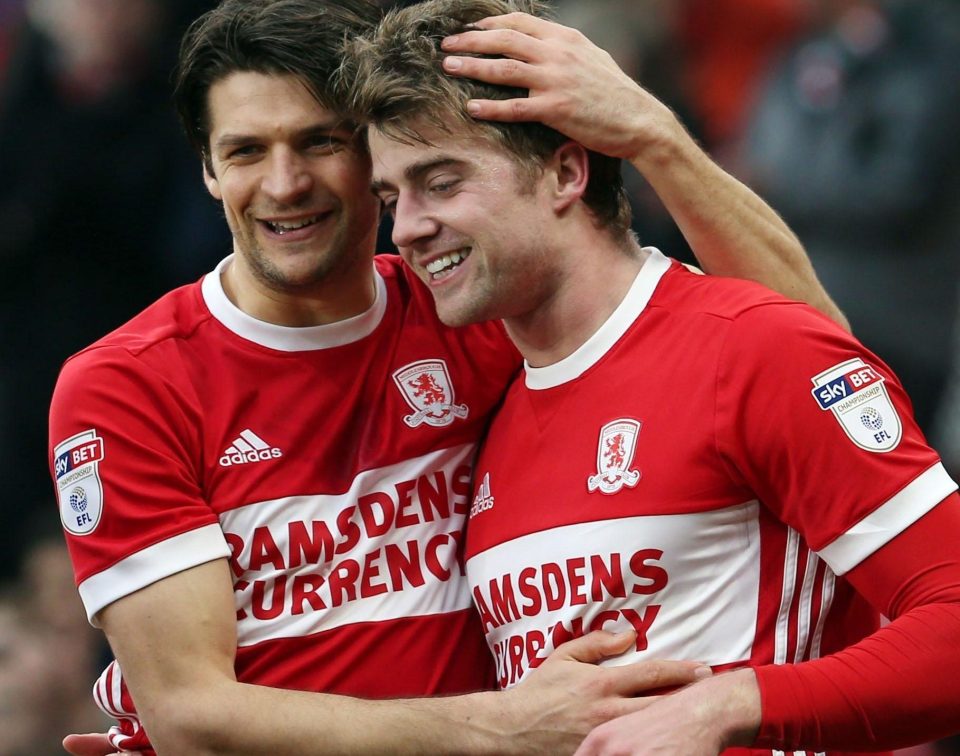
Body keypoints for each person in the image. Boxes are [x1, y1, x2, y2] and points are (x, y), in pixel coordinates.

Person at [51, 0, 848, 754]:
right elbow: (193, 716)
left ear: (376, 157)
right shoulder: (128, 386)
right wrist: (503, 728)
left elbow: (815, 357)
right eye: (247, 151)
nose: (285, 183)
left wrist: (652, 138)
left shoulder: (471, 305)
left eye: (321, 142)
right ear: (208, 172)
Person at [345, 0, 960, 753]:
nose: (406, 226)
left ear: (566, 171)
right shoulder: (485, 416)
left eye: (441, 182)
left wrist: (730, 703)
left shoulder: (751, 348)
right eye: (390, 198)